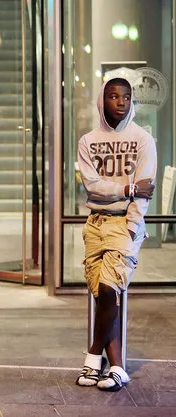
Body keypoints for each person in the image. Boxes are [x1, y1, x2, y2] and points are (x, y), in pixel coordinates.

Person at [76, 77, 157, 391]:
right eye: (113, 96)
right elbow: (92, 185)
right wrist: (126, 188)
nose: (120, 102)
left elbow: (145, 190)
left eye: (126, 96)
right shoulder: (88, 141)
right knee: (103, 296)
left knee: (110, 290)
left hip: (124, 224)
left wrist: (133, 226)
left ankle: (93, 357)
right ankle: (117, 368)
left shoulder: (142, 139)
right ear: (102, 100)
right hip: (95, 224)